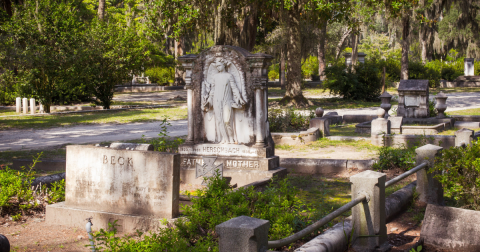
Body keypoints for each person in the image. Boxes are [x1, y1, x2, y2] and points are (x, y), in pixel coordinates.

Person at [202, 57, 246, 144]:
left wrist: (239, 98)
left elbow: (234, 88)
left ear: (224, 65)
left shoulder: (229, 76)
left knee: (227, 120)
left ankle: (231, 138)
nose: (218, 68)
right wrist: (209, 100)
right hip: (216, 101)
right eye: (217, 66)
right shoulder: (215, 76)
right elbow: (212, 90)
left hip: (227, 100)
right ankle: (224, 139)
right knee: (219, 121)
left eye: (219, 66)